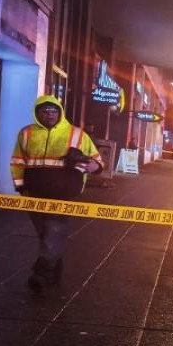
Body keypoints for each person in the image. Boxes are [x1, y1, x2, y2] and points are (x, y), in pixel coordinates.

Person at [10, 95, 103, 294]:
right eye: (44, 111)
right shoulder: (26, 133)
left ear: (60, 112)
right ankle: (54, 268)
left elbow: (97, 162)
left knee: (54, 231)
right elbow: (17, 161)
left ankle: (40, 274)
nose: (49, 115)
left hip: (64, 194)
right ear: (37, 113)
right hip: (34, 194)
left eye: (53, 111)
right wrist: (20, 186)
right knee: (45, 234)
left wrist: (90, 165)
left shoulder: (77, 134)